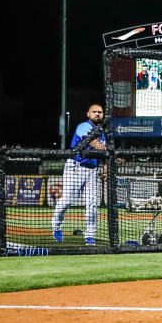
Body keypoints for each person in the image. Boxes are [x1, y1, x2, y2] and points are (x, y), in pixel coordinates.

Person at [51, 103, 107, 244]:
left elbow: (103, 154)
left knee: (92, 204)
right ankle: (56, 227)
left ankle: (89, 235)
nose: (97, 114)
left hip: (92, 170)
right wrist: (106, 149)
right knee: (67, 201)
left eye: (100, 112)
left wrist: (105, 167)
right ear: (88, 114)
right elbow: (93, 143)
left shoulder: (103, 133)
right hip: (76, 167)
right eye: (94, 111)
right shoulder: (83, 126)